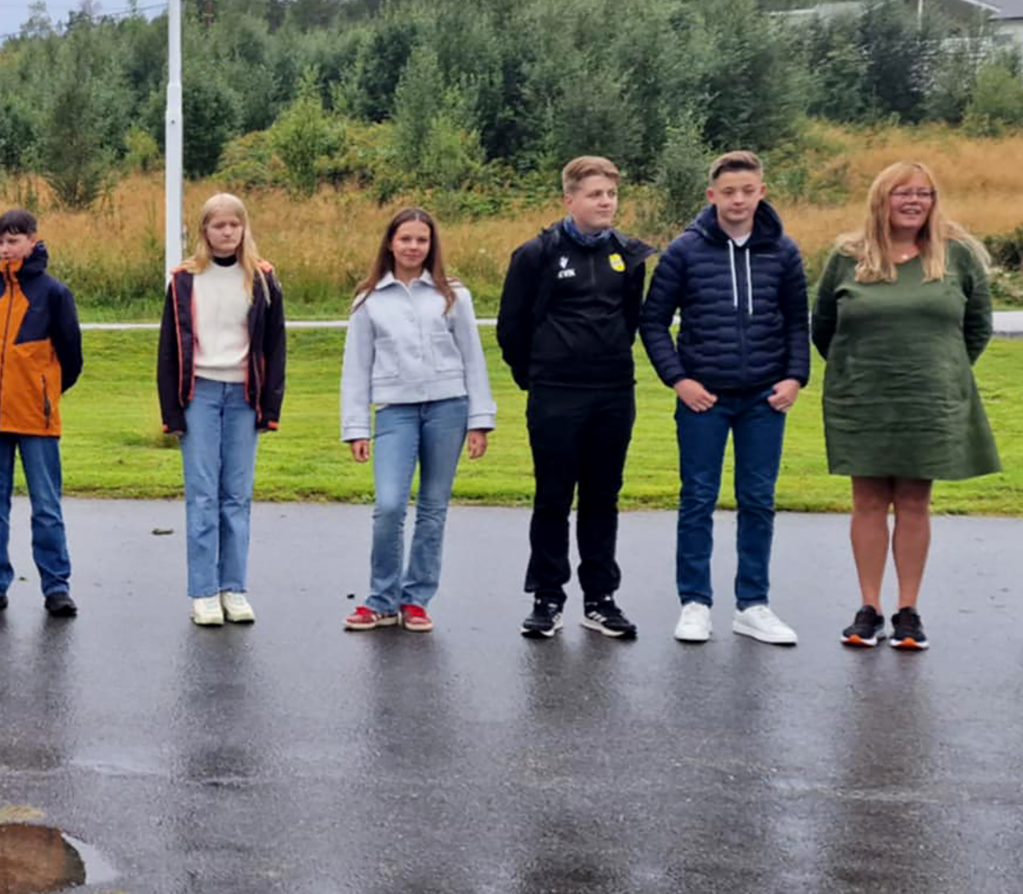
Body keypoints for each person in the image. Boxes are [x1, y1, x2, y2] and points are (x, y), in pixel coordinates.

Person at [814, 160, 999, 651]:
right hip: (863, 399)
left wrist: (942, 370)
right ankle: (868, 608)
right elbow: (823, 328)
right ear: (882, 200)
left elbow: (977, 328)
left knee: (915, 501)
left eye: (924, 193)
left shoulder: (956, 256)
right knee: (868, 501)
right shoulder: (847, 256)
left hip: (929, 399)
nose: (914, 202)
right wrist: (858, 373)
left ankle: (907, 611)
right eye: (903, 193)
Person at [640, 151, 809, 646]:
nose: (738, 200)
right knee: (698, 498)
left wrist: (795, 376)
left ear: (762, 192)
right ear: (712, 196)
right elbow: (652, 322)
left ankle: (753, 604)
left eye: (748, 190)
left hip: (763, 398)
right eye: (728, 192)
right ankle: (695, 602)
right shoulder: (684, 251)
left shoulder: (783, 251)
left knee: (758, 500)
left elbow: (798, 321)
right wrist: (679, 380)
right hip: (704, 399)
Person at [497, 156, 655, 640]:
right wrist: (538, 377)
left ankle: (600, 598)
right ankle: (547, 597)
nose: (605, 202)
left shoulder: (627, 255)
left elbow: (630, 320)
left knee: (602, 497)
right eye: (595, 195)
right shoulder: (537, 254)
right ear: (569, 200)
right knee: (553, 497)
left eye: (610, 194)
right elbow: (512, 328)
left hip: (611, 392)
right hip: (555, 395)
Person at [339, 208, 495, 633]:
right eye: (405, 239)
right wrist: (355, 427)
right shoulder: (369, 299)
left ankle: (416, 599)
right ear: (390, 243)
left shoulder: (453, 296)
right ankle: (381, 599)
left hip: (448, 408)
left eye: (421, 240)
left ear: (431, 245)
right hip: (395, 410)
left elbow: (473, 359)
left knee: (432, 508)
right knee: (389, 505)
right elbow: (356, 368)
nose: (412, 247)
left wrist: (480, 420)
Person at [157, 192, 287, 627]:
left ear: (244, 228)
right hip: (200, 395)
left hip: (243, 397)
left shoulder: (264, 278)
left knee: (237, 496)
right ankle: (204, 592)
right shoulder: (184, 280)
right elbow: (169, 351)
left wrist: (270, 407)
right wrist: (171, 413)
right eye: (218, 225)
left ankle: (234, 587)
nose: (227, 232)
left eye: (234, 225)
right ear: (205, 231)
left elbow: (275, 347)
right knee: (203, 494)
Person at [0, 208, 84, 618]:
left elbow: (72, 360)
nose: (5, 248)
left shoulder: (54, 293)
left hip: (37, 417)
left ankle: (56, 588)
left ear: (33, 240)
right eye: (0, 241)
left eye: (13, 240)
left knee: (46, 506)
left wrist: (44, 393)